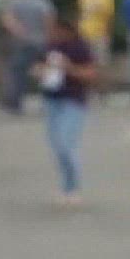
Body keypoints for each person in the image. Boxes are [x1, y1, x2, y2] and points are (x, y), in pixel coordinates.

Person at [34, 16, 97, 205]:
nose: (52, 33)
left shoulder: (79, 48)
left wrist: (68, 68)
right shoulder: (49, 47)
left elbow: (90, 73)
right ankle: (65, 187)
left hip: (73, 100)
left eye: (55, 30)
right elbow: (37, 68)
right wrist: (41, 71)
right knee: (57, 146)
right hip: (52, 99)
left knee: (66, 144)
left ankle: (73, 187)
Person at [0, 0, 56, 116]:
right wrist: (49, 38)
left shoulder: (14, 1)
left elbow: (8, 20)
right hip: (42, 41)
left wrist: (19, 32)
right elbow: (49, 19)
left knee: (18, 73)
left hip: (22, 43)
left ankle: (15, 104)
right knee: (45, 72)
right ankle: (49, 102)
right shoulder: (42, 0)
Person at [75, 0, 115, 82]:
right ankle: (89, 87)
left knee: (101, 63)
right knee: (86, 63)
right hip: (84, 33)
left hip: (99, 33)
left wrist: (108, 33)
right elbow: (81, 13)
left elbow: (109, 15)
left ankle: (102, 87)